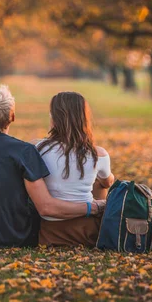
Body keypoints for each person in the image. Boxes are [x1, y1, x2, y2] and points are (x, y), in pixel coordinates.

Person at [0, 85, 106, 248]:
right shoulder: (23, 151)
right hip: (18, 237)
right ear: (12, 117)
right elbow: (45, 207)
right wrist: (94, 207)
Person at [36, 92, 115, 247]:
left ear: (54, 119)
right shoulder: (98, 154)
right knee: (101, 181)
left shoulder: (37, 149)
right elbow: (108, 182)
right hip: (87, 233)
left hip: (50, 232)